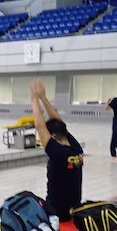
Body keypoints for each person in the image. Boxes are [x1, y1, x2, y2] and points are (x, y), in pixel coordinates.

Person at [30, 80, 83, 222]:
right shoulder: (75, 148)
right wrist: (43, 98)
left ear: (52, 136)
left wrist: (34, 99)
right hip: (74, 209)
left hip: (57, 212)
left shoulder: (57, 153)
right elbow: (58, 121)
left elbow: (40, 126)